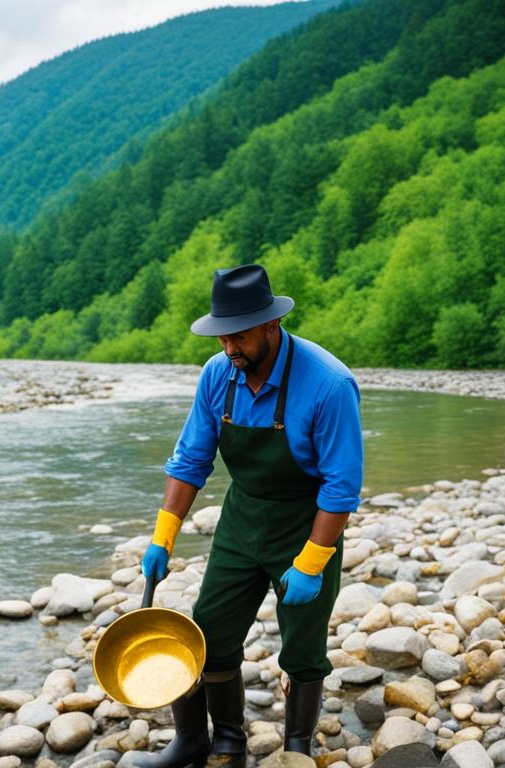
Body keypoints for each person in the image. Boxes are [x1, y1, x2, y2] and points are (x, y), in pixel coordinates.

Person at [136, 264, 363, 768]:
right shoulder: (219, 375)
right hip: (242, 520)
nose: (229, 348)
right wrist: (162, 537)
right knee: (209, 633)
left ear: (270, 325)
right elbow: (192, 460)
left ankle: (297, 748)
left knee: (303, 648)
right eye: (222, 338)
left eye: (238, 336)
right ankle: (215, 742)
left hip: (308, 521)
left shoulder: (329, 384)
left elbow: (342, 487)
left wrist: (311, 561)